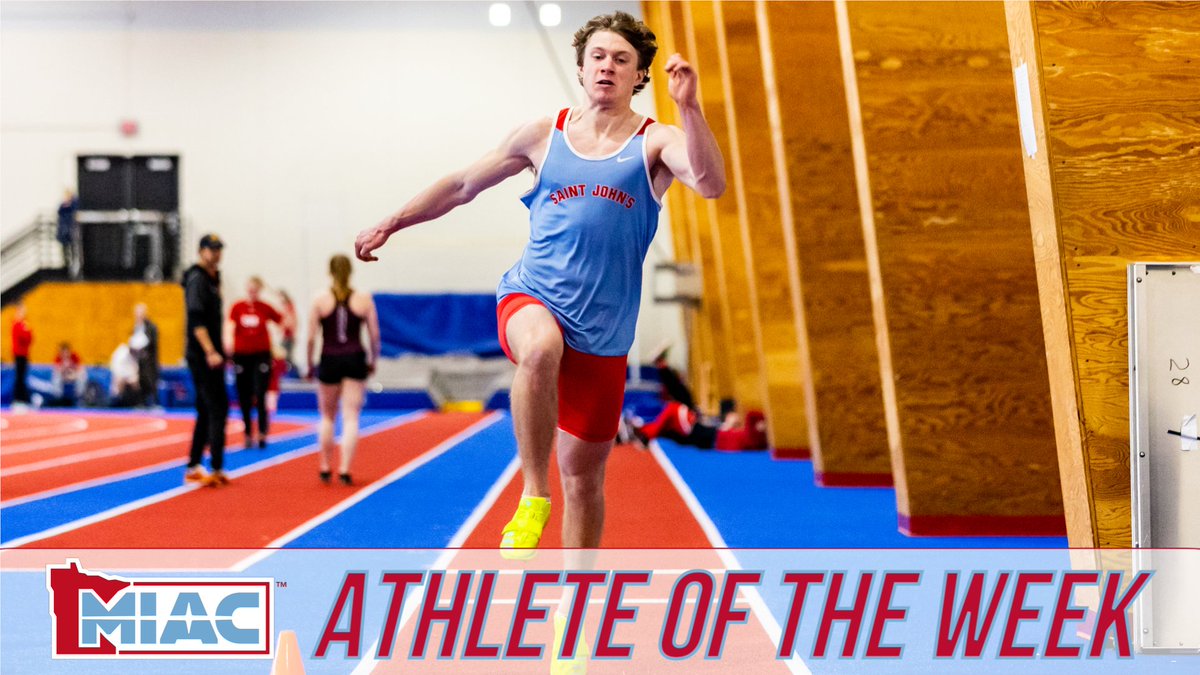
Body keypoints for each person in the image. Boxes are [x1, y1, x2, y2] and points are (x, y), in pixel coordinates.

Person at [354, 11, 725, 557]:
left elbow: (711, 183)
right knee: (540, 349)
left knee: (585, 482)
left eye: (621, 60)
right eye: (598, 56)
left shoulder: (655, 143)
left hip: (603, 334)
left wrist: (690, 107)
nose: (607, 67)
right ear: (580, 67)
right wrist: (392, 222)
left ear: (639, 75)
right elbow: (460, 186)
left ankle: (574, 615)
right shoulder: (541, 136)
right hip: (532, 295)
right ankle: (532, 493)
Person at [306, 254, 380, 486]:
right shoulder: (363, 298)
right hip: (354, 358)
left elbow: (310, 338)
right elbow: (374, 336)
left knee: (327, 416)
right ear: (350, 272)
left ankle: (326, 466)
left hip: (329, 359)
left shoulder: (320, 299)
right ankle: (345, 468)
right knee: (350, 417)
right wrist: (373, 360)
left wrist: (309, 364)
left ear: (330, 272)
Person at [182, 233, 229, 486]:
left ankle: (195, 464)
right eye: (212, 249)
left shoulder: (213, 278)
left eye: (219, 249)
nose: (217, 253)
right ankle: (216, 466)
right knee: (215, 407)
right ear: (201, 251)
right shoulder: (197, 279)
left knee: (205, 408)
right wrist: (210, 351)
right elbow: (196, 320)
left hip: (213, 353)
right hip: (202, 356)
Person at [226, 276, 283, 449]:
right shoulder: (238, 307)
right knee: (243, 395)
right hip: (242, 355)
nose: (252, 292)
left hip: (261, 355)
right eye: (250, 288)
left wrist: (278, 344)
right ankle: (248, 432)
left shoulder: (264, 307)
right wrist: (228, 344)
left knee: (260, 392)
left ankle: (262, 431)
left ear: (259, 290)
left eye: (255, 289)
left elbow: (283, 321)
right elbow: (229, 326)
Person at [129, 303, 159, 407]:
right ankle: (141, 403)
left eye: (140, 313)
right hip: (139, 359)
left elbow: (151, 342)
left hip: (149, 360)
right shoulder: (136, 326)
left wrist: (142, 347)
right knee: (141, 381)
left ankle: (155, 403)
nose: (138, 316)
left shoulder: (151, 327)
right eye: (136, 313)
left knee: (151, 380)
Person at [50, 342, 87, 407]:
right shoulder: (58, 358)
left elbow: (80, 368)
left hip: (73, 376)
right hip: (63, 377)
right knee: (56, 376)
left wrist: (73, 375)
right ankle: (58, 397)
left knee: (82, 375)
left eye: (66, 352)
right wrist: (64, 371)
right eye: (63, 352)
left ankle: (79, 397)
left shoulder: (74, 357)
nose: (65, 354)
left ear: (69, 351)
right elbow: (57, 370)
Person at [10, 303, 33, 408]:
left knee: (22, 377)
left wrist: (27, 330)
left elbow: (30, 338)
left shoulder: (24, 324)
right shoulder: (17, 324)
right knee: (19, 377)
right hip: (19, 354)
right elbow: (24, 338)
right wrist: (26, 330)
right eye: (22, 311)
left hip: (24, 354)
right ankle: (18, 400)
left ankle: (21, 399)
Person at [109, 341, 141, 407]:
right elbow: (116, 371)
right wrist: (125, 380)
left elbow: (135, 374)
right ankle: (118, 401)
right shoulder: (121, 354)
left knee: (135, 383)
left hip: (129, 386)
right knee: (120, 382)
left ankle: (135, 404)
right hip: (119, 382)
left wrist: (132, 380)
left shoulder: (135, 358)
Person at [57, 189, 78, 277]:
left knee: (74, 251)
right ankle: (66, 268)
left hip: (72, 232)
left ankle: (73, 269)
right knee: (65, 251)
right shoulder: (62, 206)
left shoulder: (74, 204)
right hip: (64, 233)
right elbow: (60, 213)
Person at [276, 290, 298, 374]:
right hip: (287, 335)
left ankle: (289, 373)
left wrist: (283, 327)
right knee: (286, 355)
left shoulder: (288, 306)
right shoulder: (287, 306)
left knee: (286, 356)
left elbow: (290, 321)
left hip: (288, 335)